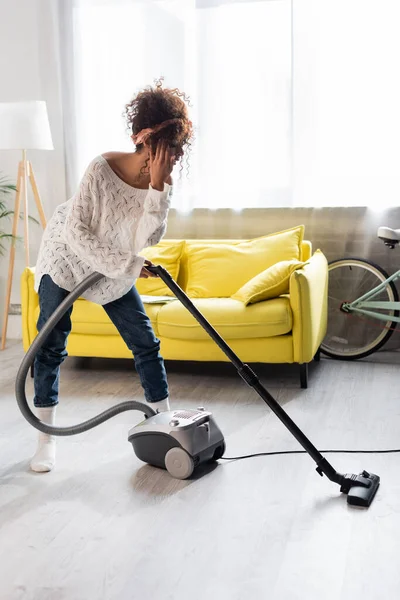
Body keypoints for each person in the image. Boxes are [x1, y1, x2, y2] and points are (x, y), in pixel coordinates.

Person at [31, 80, 193, 472]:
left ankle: (165, 424)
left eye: (178, 148)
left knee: (145, 342)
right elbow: (77, 232)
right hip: (66, 259)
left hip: (113, 267)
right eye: (168, 146)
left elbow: (146, 239)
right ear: (144, 138)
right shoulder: (101, 169)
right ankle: (45, 441)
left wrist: (157, 187)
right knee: (50, 345)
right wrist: (130, 266)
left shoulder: (162, 183)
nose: (173, 156)